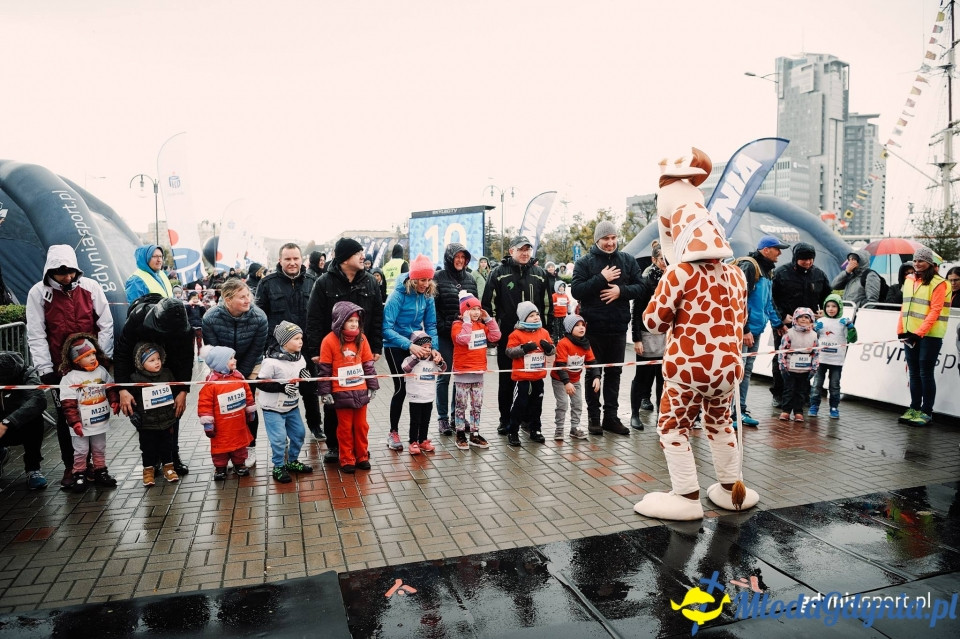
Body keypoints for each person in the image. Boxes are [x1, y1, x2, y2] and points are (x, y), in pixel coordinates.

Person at [633, 148, 758, 521]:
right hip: (726, 370)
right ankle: (731, 488)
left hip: (688, 369)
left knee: (673, 426)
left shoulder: (680, 274)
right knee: (720, 425)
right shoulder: (736, 274)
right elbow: (741, 319)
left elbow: (653, 321)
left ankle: (687, 497)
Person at [26, 244, 114, 490]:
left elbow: (105, 323)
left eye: (71, 272)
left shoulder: (91, 287)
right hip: (61, 368)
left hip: (92, 364)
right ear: (50, 271)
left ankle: (98, 466)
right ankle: (73, 466)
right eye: (60, 272)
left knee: (94, 413)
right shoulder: (38, 293)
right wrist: (46, 369)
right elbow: (36, 333)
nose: (66, 277)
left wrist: (102, 357)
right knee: (68, 417)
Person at [305, 237, 383, 466]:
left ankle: (360, 450)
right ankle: (334, 447)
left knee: (358, 400)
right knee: (333, 402)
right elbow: (314, 319)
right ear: (344, 258)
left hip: (359, 351)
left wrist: (376, 346)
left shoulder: (370, 282)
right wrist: (315, 351)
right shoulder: (324, 283)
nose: (363, 256)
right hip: (332, 353)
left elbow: (377, 316)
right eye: (358, 252)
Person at [571, 221, 644, 436]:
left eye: (613, 238)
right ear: (597, 240)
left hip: (618, 329)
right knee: (593, 373)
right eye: (606, 239)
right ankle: (594, 418)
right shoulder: (585, 263)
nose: (611, 242)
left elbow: (641, 287)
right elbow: (577, 290)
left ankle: (610, 418)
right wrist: (601, 279)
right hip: (593, 329)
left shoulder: (628, 260)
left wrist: (620, 291)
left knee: (615, 373)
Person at [116, 295, 194, 476]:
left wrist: (183, 390)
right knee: (146, 415)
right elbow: (121, 353)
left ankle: (172, 457)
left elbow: (187, 359)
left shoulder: (185, 328)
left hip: (170, 369)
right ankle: (152, 460)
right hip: (141, 368)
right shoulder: (137, 318)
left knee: (173, 412)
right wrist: (122, 388)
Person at [481, 236, 552, 435]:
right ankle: (505, 419)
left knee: (532, 381)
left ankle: (528, 421)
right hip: (508, 339)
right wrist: (494, 335)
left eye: (528, 249)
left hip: (535, 341)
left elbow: (547, 306)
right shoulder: (498, 273)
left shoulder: (539, 274)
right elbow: (488, 306)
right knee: (506, 381)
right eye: (521, 249)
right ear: (511, 251)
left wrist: (546, 334)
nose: (525, 253)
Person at [255, 243, 323, 441]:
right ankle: (282, 433)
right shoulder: (267, 283)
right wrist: (270, 346)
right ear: (280, 260)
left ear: (302, 260)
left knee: (310, 390)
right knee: (282, 390)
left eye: (296, 258)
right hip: (279, 351)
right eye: (288, 259)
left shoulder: (313, 281)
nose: (292, 263)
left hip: (307, 347)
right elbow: (261, 318)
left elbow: (319, 315)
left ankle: (315, 426)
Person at [202, 278, 268, 466]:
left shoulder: (260, 317)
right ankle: (228, 448)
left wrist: (240, 377)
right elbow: (214, 350)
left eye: (248, 295)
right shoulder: (210, 318)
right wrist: (228, 374)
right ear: (227, 299)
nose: (248, 300)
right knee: (226, 407)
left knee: (248, 404)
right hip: (222, 365)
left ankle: (251, 447)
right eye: (242, 297)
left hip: (250, 364)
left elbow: (257, 349)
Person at [381, 256, 440, 452]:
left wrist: (434, 349)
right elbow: (386, 328)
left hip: (417, 343)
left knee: (422, 387)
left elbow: (431, 325)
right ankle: (393, 432)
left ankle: (420, 437)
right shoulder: (397, 295)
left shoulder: (428, 294)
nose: (425, 284)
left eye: (428, 279)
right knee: (401, 388)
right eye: (421, 280)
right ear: (413, 279)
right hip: (394, 345)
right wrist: (408, 345)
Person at [317, 301, 379, 473]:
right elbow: (325, 369)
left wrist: (372, 385)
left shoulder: (362, 338)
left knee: (361, 426)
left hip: (360, 389)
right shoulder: (329, 340)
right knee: (344, 428)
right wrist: (325, 392)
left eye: (357, 321)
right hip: (340, 392)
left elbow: (368, 364)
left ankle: (362, 456)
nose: (354, 324)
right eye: (350, 320)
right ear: (340, 320)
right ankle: (346, 459)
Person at [735, 235, 788, 427]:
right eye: (777, 249)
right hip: (743, 331)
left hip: (756, 330)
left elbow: (768, 302)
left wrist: (778, 323)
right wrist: (744, 329)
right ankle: (731, 412)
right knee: (737, 371)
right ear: (765, 250)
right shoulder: (750, 266)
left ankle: (740, 409)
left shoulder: (767, 271)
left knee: (746, 371)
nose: (780, 253)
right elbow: (738, 300)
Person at [770, 241, 831, 407]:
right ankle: (780, 393)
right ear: (796, 258)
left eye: (811, 259)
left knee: (808, 358)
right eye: (804, 259)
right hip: (785, 326)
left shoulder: (819, 274)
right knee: (782, 358)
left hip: (809, 327)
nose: (808, 262)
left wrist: (825, 310)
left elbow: (829, 295)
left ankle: (802, 395)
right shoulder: (781, 273)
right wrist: (781, 317)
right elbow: (771, 298)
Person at [58, 334, 121, 491]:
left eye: (93, 353)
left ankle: (100, 471)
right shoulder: (70, 378)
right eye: (87, 356)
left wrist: (114, 400)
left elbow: (110, 386)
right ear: (76, 360)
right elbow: (68, 404)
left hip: (99, 420)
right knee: (81, 450)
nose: (93, 358)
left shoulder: (100, 371)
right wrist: (74, 422)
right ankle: (79, 473)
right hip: (81, 424)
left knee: (99, 447)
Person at [897, 246, 951, 426]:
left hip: (930, 335)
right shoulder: (909, 280)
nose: (918, 264)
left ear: (930, 263)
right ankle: (914, 407)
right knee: (913, 373)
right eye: (916, 260)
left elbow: (935, 311)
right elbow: (904, 308)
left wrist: (918, 333)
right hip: (910, 334)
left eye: (921, 260)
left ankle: (926, 411)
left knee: (925, 373)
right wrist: (901, 330)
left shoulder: (939, 283)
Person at [256, 322, 314, 483]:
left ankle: (292, 461)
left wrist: (305, 379)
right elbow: (260, 383)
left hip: (292, 406)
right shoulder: (271, 362)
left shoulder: (300, 358)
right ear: (284, 342)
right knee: (279, 439)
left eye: (301, 338)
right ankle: (278, 466)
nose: (301, 341)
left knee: (299, 434)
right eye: (296, 338)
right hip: (272, 409)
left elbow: (300, 381)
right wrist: (281, 387)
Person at [433, 243, 479, 437]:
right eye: (456, 257)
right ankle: (443, 418)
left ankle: (456, 416)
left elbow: (475, 307)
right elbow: (433, 308)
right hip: (445, 335)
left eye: (463, 257)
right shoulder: (438, 278)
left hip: (463, 337)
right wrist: (444, 325)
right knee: (444, 377)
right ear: (449, 258)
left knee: (460, 378)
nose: (460, 260)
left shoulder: (470, 279)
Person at [450, 291, 500, 450]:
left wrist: (489, 319)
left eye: (478, 308)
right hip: (463, 374)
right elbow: (463, 339)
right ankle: (459, 434)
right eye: (472, 308)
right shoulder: (457, 326)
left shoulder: (482, 325)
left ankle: (475, 434)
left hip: (479, 373)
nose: (476, 312)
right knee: (461, 406)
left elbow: (495, 336)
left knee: (477, 405)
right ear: (464, 310)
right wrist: (466, 322)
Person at [199, 345, 256, 482]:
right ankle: (220, 468)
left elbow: (247, 394)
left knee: (240, 446)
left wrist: (250, 409)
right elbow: (205, 404)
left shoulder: (239, 378)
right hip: (221, 425)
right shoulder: (211, 384)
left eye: (233, 357)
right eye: (230, 358)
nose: (235, 360)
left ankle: (239, 464)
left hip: (238, 423)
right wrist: (208, 423)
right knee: (220, 449)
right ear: (220, 363)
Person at [504, 301, 555, 446]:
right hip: (522, 378)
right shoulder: (516, 334)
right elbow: (509, 352)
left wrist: (549, 348)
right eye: (532, 315)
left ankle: (535, 429)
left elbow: (552, 350)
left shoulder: (543, 332)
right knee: (520, 404)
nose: (536, 317)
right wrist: (524, 348)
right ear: (523, 318)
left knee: (536, 404)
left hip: (538, 376)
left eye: (537, 314)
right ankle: (513, 431)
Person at [130, 342, 180, 486]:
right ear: (141, 363)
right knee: (147, 448)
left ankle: (169, 469)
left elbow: (175, 391)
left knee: (167, 446)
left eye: (158, 358)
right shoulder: (135, 379)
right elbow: (132, 400)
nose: (157, 362)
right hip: (146, 423)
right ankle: (148, 472)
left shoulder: (167, 374)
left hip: (166, 420)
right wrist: (133, 414)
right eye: (151, 360)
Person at [0, 351, 48, 490]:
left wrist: (8, 421)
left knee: (36, 419)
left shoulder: (27, 373)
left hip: (17, 423)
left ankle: (33, 469)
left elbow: (38, 400)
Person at [630, 246, 665, 429]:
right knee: (641, 376)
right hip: (646, 334)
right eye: (662, 260)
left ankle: (662, 415)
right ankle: (635, 414)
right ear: (654, 260)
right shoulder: (645, 281)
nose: (665, 264)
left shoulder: (674, 279)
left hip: (666, 335)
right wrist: (636, 339)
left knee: (662, 377)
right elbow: (636, 311)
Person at [550, 314, 598, 441]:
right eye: (577, 325)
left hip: (575, 380)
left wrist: (597, 377)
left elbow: (592, 362)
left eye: (583, 325)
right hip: (560, 379)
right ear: (569, 328)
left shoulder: (586, 343)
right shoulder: (563, 343)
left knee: (577, 403)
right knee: (563, 403)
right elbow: (560, 364)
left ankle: (574, 428)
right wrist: (566, 382)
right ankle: (559, 429)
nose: (581, 328)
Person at [809, 294, 857, 419]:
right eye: (828, 306)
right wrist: (814, 330)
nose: (831, 309)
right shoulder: (820, 321)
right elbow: (812, 340)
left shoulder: (844, 322)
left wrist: (851, 328)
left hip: (837, 361)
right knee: (817, 384)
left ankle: (834, 407)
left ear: (839, 307)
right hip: (821, 359)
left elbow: (853, 339)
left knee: (834, 385)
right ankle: (814, 406)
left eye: (834, 306)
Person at [400, 331, 446, 455]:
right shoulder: (410, 359)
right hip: (415, 396)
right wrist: (417, 357)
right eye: (423, 347)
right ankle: (413, 441)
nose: (427, 350)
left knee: (426, 420)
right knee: (415, 420)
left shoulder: (432, 360)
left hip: (428, 396)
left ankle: (423, 440)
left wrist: (439, 361)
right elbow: (405, 368)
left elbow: (443, 369)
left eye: (429, 347)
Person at [777, 307, 819, 423]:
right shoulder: (789, 333)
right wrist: (783, 366)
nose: (804, 320)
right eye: (800, 317)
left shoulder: (814, 335)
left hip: (805, 370)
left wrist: (814, 368)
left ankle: (798, 412)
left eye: (807, 317)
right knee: (788, 390)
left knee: (801, 392)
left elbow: (816, 352)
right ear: (795, 318)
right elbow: (782, 350)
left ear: (811, 320)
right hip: (790, 368)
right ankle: (785, 411)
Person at [186, 292, 205, 359]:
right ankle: (191, 356)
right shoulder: (188, 306)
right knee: (191, 343)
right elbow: (186, 312)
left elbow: (204, 313)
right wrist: (189, 305)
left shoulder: (199, 307)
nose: (195, 300)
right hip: (191, 327)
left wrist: (202, 305)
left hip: (199, 327)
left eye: (196, 298)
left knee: (199, 343)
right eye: (193, 298)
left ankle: (200, 356)